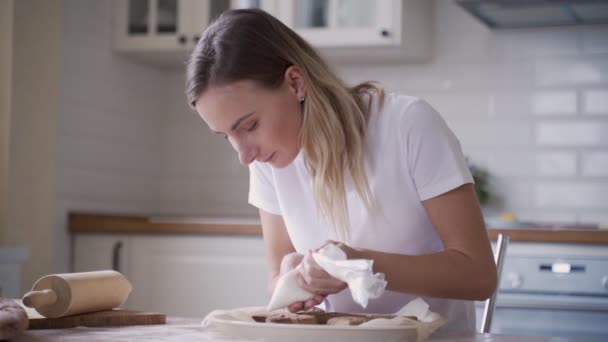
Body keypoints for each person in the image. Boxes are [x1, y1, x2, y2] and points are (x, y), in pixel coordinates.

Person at [185, 8, 497, 334]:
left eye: (249, 125)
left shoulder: (408, 124)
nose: (244, 155)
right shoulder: (267, 162)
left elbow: (478, 276)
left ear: (295, 83)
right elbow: (278, 275)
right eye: (227, 137)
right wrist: (294, 276)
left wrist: (359, 265)